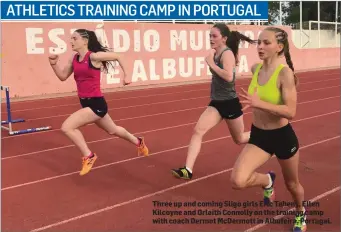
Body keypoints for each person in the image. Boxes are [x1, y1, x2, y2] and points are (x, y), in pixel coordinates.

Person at [231, 26, 306, 232]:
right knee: (237, 181)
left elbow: (291, 112)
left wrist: (258, 103)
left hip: (282, 137)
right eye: (259, 42)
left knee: (292, 185)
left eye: (266, 42)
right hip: (259, 136)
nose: (260, 46)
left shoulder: (285, 74)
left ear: (279, 47)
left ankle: (300, 212)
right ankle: (267, 180)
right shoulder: (256, 69)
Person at [48, 29, 149, 176]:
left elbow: (118, 56)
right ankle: (139, 142)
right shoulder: (74, 58)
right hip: (85, 103)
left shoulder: (94, 57)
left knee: (67, 127)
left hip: (96, 104)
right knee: (112, 130)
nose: (71, 41)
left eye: (74, 38)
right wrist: (54, 64)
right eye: (71, 39)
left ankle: (88, 156)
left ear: (85, 40)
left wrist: (127, 75)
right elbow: (63, 76)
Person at [171, 23, 256, 180]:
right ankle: (187, 170)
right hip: (216, 103)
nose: (210, 39)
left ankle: (269, 135)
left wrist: (211, 64)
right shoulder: (216, 53)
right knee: (198, 131)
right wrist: (211, 62)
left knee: (240, 139)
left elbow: (229, 77)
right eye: (210, 36)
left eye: (214, 36)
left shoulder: (227, 54)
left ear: (224, 38)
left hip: (230, 103)